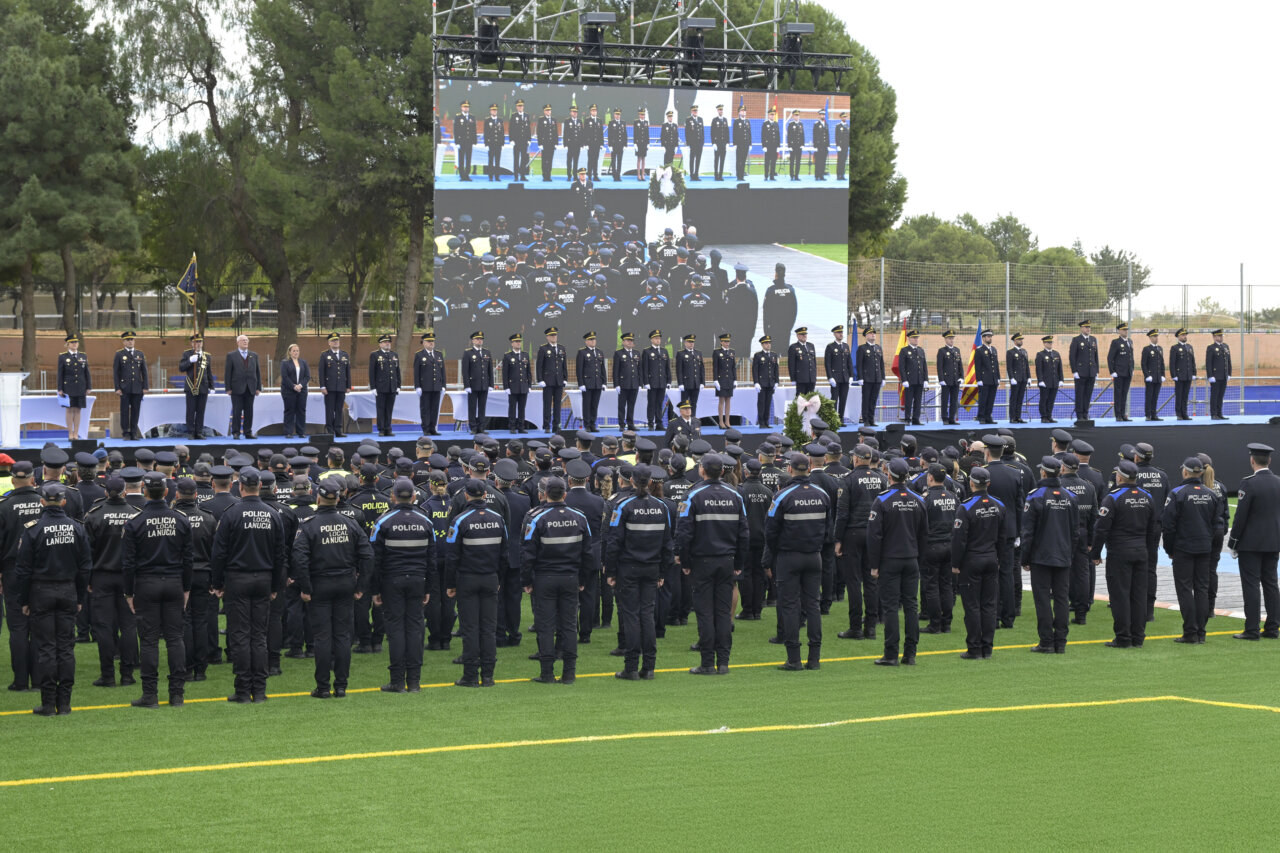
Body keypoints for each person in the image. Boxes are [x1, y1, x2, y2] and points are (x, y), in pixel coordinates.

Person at [13, 482, 92, 716]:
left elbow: (23, 570)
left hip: (41, 592)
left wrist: (24, 600)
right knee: (66, 648)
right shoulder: (77, 528)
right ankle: (65, 703)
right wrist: (79, 596)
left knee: (46, 648)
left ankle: (48, 704)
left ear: (42, 502)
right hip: (68, 591)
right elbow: (85, 567)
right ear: (64, 502)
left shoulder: (33, 529)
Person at [210, 467, 286, 703]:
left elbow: (219, 553)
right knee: (259, 636)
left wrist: (218, 583)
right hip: (263, 580)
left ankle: (243, 690)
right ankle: (260, 690)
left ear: (240, 487)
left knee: (241, 635)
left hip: (238, 580)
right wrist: (275, 586)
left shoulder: (231, 514)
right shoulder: (273, 514)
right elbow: (279, 556)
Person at [292, 477, 371, 698]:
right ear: (338, 498)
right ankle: (341, 685)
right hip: (345, 584)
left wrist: (305, 587)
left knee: (323, 637)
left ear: (318, 498)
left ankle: (323, 687)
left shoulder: (309, 525)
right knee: (343, 636)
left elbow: (299, 558)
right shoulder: (351, 523)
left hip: (320, 585)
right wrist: (361, 585)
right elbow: (367, 555)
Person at [121, 472, 192, 708]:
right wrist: (186, 589)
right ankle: (177, 694)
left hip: (146, 584)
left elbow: (128, 563)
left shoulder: (135, 522)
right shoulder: (180, 520)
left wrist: (129, 592)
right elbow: (188, 560)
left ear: (144, 491)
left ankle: (150, 695)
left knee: (149, 641)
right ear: (166, 492)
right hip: (173, 583)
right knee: (175, 638)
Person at [675, 454, 748, 674]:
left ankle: (707, 663)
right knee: (723, 612)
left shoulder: (693, 495)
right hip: (726, 561)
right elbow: (744, 533)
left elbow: (683, 534)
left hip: (702, 561)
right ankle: (723, 662)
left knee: (705, 613)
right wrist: (739, 562)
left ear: (702, 471)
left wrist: (685, 562)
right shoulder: (735, 495)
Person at [605, 465, 673, 679]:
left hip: (629, 568)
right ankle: (649, 667)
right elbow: (667, 544)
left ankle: (631, 667)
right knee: (647, 615)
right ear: (650, 481)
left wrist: (611, 571)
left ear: (632, 481)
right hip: (651, 568)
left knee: (631, 616)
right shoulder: (660, 507)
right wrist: (662, 572)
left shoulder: (622, 505)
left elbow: (613, 541)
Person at [522, 477, 593, 684]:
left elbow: (527, 554)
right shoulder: (579, 517)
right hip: (570, 577)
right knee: (569, 625)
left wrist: (526, 580)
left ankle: (547, 673)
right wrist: (583, 578)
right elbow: (588, 553)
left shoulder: (537, 518)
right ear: (565, 493)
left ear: (544, 494)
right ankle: (569, 673)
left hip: (545, 578)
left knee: (545, 626)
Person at [766, 452, 832, 671]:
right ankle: (814, 658)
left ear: (790, 470)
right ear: (810, 467)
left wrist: (775, 554)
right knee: (813, 605)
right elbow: (828, 530)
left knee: (790, 606)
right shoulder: (822, 494)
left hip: (789, 556)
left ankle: (794, 658)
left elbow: (771, 531)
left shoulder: (782, 496)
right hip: (814, 556)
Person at [370, 479, 435, 693]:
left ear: (393, 496)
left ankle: (397, 681)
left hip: (392, 581)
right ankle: (414, 682)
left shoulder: (383, 521)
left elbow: (375, 560)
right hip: (417, 580)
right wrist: (428, 588)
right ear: (414, 497)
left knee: (396, 630)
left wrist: (375, 590)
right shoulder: (426, 521)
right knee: (415, 629)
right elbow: (431, 559)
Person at [444, 480, 508, 687]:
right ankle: (488, 675)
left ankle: (470, 675)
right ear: (484, 495)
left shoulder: (459, 520)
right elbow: (504, 554)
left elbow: (451, 557)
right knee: (488, 628)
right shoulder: (498, 519)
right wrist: (499, 578)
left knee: (470, 628)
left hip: (468, 579)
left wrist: (450, 583)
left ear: (466, 496)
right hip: (490, 578)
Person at [1090, 459, 1158, 649]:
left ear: (1119, 477)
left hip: (1120, 553)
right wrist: (1149, 552)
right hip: (1141, 552)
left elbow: (1101, 529)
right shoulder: (1147, 497)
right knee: (1138, 595)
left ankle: (1123, 637)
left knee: (1120, 596)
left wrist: (1095, 553)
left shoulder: (1113, 497)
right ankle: (1138, 636)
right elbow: (1154, 529)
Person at [866, 458, 927, 666]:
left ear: (889, 475)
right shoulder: (918, 500)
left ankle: (891, 654)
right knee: (911, 605)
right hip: (911, 558)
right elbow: (923, 533)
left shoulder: (882, 501)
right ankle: (910, 653)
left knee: (891, 606)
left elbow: (874, 536)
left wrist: (874, 565)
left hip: (890, 560)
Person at [82, 475, 141, 687]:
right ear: (125, 492)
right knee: (128, 626)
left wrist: (88, 580)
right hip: (128, 578)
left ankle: (108, 675)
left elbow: (87, 554)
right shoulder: (136, 515)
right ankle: (127, 674)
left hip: (102, 577)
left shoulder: (94, 516)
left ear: (106, 492)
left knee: (104, 627)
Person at [1021, 456, 1079, 654]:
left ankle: (1046, 641)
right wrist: (1069, 553)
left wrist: (1025, 558)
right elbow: (1075, 531)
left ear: (1043, 472)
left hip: (1041, 557)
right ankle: (1061, 641)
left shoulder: (1035, 496)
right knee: (1062, 598)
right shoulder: (1070, 497)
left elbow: (1028, 532)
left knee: (1043, 599)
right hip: (1063, 555)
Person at [1164, 456, 1224, 644]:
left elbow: (1168, 525)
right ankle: (1201, 632)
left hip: (1183, 548)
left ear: (1185, 471)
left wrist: (1169, 548)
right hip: (1204, 548)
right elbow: (1217, 524)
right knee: (1201, 589)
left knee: (1184, 589)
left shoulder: (1177, 493)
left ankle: (1190, 631)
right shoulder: (1211, 493)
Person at [951, 467, 1005, 659]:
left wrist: (955, 563)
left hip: (972, 561)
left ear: (971, 483)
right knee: (989, 605)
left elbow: (959, 539)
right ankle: (987, 647)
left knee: (972, 606)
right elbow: (1003, 537)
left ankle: (974, 648)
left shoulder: (965, 507)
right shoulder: (999, 505)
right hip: (991, 558)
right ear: (988, 484)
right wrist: (999, 559)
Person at [1228, 443, 1280, 640]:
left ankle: (1251, 629)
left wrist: (1233, 542)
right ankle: (1273, 628)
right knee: (1271, 584)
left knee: (1251, 585)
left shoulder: (1248, 483)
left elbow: (1240, 517)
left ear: (1252, 460)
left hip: (1251, 544)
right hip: (1273, 541)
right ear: (1269, 460)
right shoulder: (1278, 482)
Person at [171, 479, 215, 681]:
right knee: (201, 621)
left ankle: (187, 667)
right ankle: (201, 669)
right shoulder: (208, 518)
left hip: (179, 575)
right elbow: (216, 552)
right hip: (203, 574)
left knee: (185, 621)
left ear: (177, 495)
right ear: (196, 495)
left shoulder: (173, 518)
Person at [920, 464, 959, 634]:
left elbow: (920, 525)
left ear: (930, 478)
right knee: (946, 585)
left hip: (932, 546)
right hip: (950, 545)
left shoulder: (926, 499)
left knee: (931, 586)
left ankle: (935, 624)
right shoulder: (953, 497)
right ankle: (947, 623)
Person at [177, 332, 215, 438]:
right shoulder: (187, 354)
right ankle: (191, 432)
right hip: (191, 386)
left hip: (203, 387)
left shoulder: (207, 356)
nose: (198, 344)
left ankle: (198, 431)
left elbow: (209, 372)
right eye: (196, 342)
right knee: (190, 411)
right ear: (192, 343)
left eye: (200, 342)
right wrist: (189, 361)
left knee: (200, 411)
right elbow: (181, 368)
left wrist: (212, 386)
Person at [224, 334, 262, 439]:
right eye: (243, 340)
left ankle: (248, 432)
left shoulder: (254, 355)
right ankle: (236, 432)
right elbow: (228, 373)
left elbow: (257, 372)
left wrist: (258, 387)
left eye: (246, 340)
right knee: (237, 411)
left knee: (249, 411)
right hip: (236, 388)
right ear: (238, 342)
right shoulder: (231, 355)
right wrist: (228, 388)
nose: (245, 342)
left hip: (251, 388)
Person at [113, 330, 148, 440]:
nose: (130, 342)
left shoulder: (140, 354)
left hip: (137, 387)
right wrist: (117, 387)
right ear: (124, 342)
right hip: (125, 388)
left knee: (135, 410)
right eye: (128, 340)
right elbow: (116, 372)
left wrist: (145, 386)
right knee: (124, 411)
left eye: (132, 339)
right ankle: (125, 432)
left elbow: (144, 371)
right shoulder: (119, 354)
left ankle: (133, 432)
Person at [318, 332, 352, 438]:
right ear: (329, 343)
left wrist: (348, 385)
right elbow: (321, 372)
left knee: (339, 409)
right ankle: (330, 430)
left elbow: (347, 372)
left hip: (341, 387)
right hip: (329, 387)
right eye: (333, 341)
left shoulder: (344, 355)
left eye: (337, 340)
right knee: (329, 409)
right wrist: (322, 386)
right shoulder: (324, 355)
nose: (335, 342)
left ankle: (338, 430)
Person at [57, 333, 90, 438]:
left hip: (80, 386)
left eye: (76, 342)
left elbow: (87, 372)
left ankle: (76, 433)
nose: (75, 344)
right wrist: (60, 388)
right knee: (69, 409)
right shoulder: (63, 357)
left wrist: (89, 386)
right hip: (68, 387)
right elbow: (60, 373)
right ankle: (70, 432)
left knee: (78, 409)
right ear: (68, 344)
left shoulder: (83, 356)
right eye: (72, 342)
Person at [461, 331, 494, 434]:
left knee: (482, 407)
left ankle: (481, 427)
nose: (480, 341)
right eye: (477, 339)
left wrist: (491, 384)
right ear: (473, 341)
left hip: (484, 384)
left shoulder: (486, 352)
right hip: (473, 385)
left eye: (481, 339)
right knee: (472, 407)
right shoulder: (468, 353)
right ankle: (473, 427)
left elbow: (490, 370)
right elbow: (465, 371)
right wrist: (467, 385)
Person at [413, 332, 446, 435]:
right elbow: (416, 372)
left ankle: (433, 428)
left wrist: (443, 385)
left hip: (436, 386)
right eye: (428, 341)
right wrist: (417, 386)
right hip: (425, 387)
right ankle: (426, 429)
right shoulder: (419, 355)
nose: (431, 343)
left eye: (432, 341)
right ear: (423, 343)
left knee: (434, 409)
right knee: (425, 409)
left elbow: (442, 371)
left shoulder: (438, 354)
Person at [368, 334, 400, 437]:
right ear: (380, 344)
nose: (387, 344)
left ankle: (388, 428)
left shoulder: (394, 355)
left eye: (389, 342)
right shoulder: (375, 355)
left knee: (389, 409)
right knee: (381, 409)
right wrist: (373, 387)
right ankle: (381, 429)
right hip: (380, 387)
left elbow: (397, 371)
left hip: (392, 387)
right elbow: (371, 372)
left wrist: (399, 385)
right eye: (385, 342)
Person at [537, 327, 569, 431]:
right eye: (551, 335)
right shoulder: (543, 349)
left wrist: (565, 378)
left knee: (557, 404)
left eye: (555, 335)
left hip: (558, 381)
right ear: (547, 337)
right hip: (547, 381)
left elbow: (564, 365)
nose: (554, 337)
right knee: (547, 404)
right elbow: (539, 366)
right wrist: (540, 379)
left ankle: (556, 426)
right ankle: (546, 426)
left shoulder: (561, 348)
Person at [500, 332, 532, 433]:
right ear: (512, 343)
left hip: (523, 386)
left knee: (522, 408)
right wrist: (506, 387)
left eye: (519, 341)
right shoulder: (508, 356)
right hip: (512, 386)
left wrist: (529, 385)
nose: (518, 343)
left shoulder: (525, 355)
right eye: (516, 342)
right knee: (512, 407)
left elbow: (528, 372)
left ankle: (521, 427)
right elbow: (505, 373)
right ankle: (512, 426)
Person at [576, 331, 607, 432]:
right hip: (587, 383)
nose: (593, 341)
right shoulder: (582, 352)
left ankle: (593, 424)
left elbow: (602, 369)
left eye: (594, 339)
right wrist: (581, 383)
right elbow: (579, 369)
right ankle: (587, 425)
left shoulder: (599, 352)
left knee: (594, 405)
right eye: (590, 340)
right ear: (586, 341)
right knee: (587, 405)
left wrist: (604, 382)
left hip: (597, 383)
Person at [762, 264, 797, 351]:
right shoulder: (790, 290)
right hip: (786, 328)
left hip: (773, 329)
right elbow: (794, 310)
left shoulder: (770, 290)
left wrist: (766, 330)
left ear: (776, 274)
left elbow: (766, 312)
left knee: (774, 354)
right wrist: (789, 326)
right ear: (784, 274)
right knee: (785, 354)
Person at [1068, 320, 1098, 421]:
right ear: (1081, 328)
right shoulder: (1076, 340)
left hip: (1091, 372)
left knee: (1088, 394)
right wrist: (1074, 371)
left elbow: (1095, 356)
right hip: (1081, 372)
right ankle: (1080, 415)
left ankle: (1085, 413)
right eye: (1086, 327)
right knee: (1080, 394)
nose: (1088, 329)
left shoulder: (1093, 339)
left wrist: (1096, 370)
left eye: (1089, 327)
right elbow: (1072, 356)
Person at [641, 329, 670, 431]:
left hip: (662, 382)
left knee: (659, 403)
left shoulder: (664, 351)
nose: (658, 340)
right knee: (651, 403)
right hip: (652, 382)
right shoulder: (647, 351)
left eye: (659, 338)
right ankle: (650, 423)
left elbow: (667, 368)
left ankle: (659, 423)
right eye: (656, 338)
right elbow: (644, 368)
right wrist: (646, 382)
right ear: (651, 339)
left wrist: (669, 381)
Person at [280, 343, 309, 439]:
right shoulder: (285, 362)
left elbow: (307, 376)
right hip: (288, 391)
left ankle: (301, 432)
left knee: (301, 411)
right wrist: (293, 386)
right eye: (294, 351)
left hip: (302, 391)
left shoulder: (303, 362)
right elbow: (285, 377)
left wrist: (300, 385)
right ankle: (288, 432)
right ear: (289, 352)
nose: (296, 352)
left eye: (297, 350)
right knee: (289, 411)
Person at [856, 327, 885, 426]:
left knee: (873, 400)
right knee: (866, 400)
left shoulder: (878, 348)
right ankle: (865, 420)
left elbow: (881, 364)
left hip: (877, 378)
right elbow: (859, 364)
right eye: (871, 333)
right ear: (866, 336)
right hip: (867, 379)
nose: (873, 335)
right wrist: (860, 377)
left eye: (874, 333)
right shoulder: (862, 348)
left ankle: (871, 419)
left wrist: (883, 377)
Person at [897, 329, 927, 424]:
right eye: (914, 338)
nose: (916, 339)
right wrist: (904, 380)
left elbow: (924, 366)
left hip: (919, 380)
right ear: (909, 339)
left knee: (918, 401)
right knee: (908, 401)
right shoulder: (904, 350)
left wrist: (926, 379)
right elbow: (902, 367)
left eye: (917, 338)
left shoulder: (921, 350)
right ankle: (907, 419)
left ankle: (916, 419)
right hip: (909, 381)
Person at [613, 332, 641, 431]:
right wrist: (616, 384)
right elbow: (615, 370)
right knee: (622, 405)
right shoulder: (619, 353)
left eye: (631, 340)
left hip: (634, 384)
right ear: (623, 342)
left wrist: (640, 383)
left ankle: (630, 424)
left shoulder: (636, 353)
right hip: (623, 384)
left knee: (631, 405)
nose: (630, 342)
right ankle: (621, 424)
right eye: (628, 340)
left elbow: (639, 369)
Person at [1107, 322, 1134, 421]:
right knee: (1118, 394)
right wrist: (1112, 371)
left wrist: (1132, 368)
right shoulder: (1116, 342)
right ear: (1119, 331)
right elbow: (1110, 357)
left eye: (1126, 330)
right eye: (1123, 330)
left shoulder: (1130, 341)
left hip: (1128, 372)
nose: (1126, 331)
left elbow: (1131, 357)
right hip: (1119, 372)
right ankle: (1118, 415)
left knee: (1124, 394)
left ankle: (1123, 414)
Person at [972, 328, 999, 424]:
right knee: (983, 399)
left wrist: (998, 377)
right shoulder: (979, 350)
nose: (990, 338)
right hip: (984, 379)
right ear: (983, 338)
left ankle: (988, 416)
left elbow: (996, 365)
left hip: (993, 379)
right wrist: (979, 379)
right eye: (988, 336)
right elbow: (978, 366)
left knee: (991, 399)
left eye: (991, 336)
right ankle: (981, 417)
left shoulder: (994, 349)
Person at [935, 330, 962, 425]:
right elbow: (940, 367)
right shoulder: (942, 351)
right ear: (945, 339)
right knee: (945, 400)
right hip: (946, 380)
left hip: (955, 380)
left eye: (952, 338)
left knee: (954, 401)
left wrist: (961, 376)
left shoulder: (957, 350)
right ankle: (945, 418)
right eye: (949, 338)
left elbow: (960, 365)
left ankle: (952, 418)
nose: (951, 340)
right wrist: (941, 379)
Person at [752, 335, 779, 428]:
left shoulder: (773, 355)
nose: (768, 345)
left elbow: (776, 369)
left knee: (768, 403)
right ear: (762, 344)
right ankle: (761, 422)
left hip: (770, 383)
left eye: (769, 343)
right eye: (766, 343)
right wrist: (756, 382)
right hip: (762, 383)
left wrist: (776, 381)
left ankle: (766, 422)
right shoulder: (758, 355)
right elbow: (755, 370)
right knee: (761, 403)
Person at [675, 333, 704, 418]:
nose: (691, 344)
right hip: (686, 383)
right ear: (685, 343)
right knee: (684, 404)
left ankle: (693, 420)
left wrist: (702, 382)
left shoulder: (698, 353)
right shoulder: (681, 354)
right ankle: (684, 420)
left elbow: (701, 369)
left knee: (694, 403)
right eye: (689, 342)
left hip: (696, 383)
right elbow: (679, 370)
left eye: (692, 342)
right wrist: (680, 383)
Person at [1169, 327, 1196, 420]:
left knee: (1185, 396)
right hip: (1179, 376)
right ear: (1178, 337)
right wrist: (1174, 375)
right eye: (1183, 335)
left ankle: (1185, 413)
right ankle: (1179, 414)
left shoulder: (1189, 347)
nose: (1185, 336)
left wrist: (1194, 373)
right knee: (1179, 395)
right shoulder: (1175, 348)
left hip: (1188, 375)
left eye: (1185, 335)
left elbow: (1192, 361)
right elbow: (1172, 363)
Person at [1035, 335, 1063, 423]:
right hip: (1045, 382)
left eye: (1051, 342)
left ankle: (1049, 415)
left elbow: (1059, 368)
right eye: (1048, 342)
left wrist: (1061, 379)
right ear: (1044, 343)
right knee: (1044, 399)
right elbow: (1039, 369)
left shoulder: (1056, 354)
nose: (1050, 344)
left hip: (1054, 381)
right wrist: (1040, 380)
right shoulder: (1040, 355)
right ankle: (1044, 416)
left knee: (1051, 400)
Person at [1206, 329, 1232, 419]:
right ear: (1214, 337)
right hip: (1215, 376)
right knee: (1214, 396)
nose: (1221, 337)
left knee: (1221, 396)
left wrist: (1229, 373)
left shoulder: (1225, 346)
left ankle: (1220, 413)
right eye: (1218, 336)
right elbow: (1208, 363)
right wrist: (1210, 375)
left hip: (1224, 376)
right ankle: (1214, 414)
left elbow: (1228, 362)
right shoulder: (1211, 348)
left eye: (1221, 336)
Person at [712, 333, 736, 430]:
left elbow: (733, 367)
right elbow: (715, 367)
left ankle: (727, 421)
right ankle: (721, 421)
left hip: (729, 379)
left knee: (728, 400)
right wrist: (715, 380)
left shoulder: (732, 352)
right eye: (725, 341)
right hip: (721, 380)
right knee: (721, 400)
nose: (727, 343)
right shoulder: (717, 352)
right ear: (721, 342)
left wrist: (735, 379)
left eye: (728, 341)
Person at [1140, 329, 1165, 421]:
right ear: (1150, 338)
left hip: (1158, 377)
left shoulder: (1160, 348)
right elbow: (1143, 364)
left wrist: (1163, 374)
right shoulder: (1146, 349)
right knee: (1149, 396)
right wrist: (1147, 375)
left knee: (1155, 397)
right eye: (1154, 336)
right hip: (1150, 377)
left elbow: (1162, 363)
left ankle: (1154, 414)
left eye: (1157, 336)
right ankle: (1148, 415)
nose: (1156, 338)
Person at [1005, 332, 1030, 423]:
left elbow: (1026, 366)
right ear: (1014, 341)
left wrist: (1029, 377)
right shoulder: (1010, 352)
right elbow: (1009, 367)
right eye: (1019, 339)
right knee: (1014, 398)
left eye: (1021, 339)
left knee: (1020, 399)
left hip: (1023, 378)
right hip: (1016, 379)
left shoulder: (1024, 351)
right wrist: (1011, 378)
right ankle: (1012, 417)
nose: (1021, 341)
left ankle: (1018, 416)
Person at [788, 327, 818, 396]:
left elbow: (814, 362)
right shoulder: (793, 347)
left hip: (811, 378)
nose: (804, 336)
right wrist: (793, 378)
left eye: (805, 334)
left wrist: (814, 375)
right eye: (802, 334)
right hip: (801, 378)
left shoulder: (811, 345)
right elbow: (791, 364)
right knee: (801, 400)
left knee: (811, 399)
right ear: (797, 336)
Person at [509, 99, 531, 180]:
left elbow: (528, 128)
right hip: (516, 141)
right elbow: (511, 128)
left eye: (521, 106)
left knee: (524, 159)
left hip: (524, 141)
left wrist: (529, 139)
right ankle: (516, 175)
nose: (520, 107)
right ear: (516, 107)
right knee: (516, 159)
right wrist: (511, 140)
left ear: (523, 107)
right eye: (519, 106)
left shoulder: (526, 116)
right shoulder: (514, 116)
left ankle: (522, 175)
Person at [536, 104, 558, 182]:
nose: (549, 111)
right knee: (544, 160)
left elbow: (555, 132)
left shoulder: (553, 120)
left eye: (549, 110)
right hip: (544, 144)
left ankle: (549, 175)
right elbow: (539, 132)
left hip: (551, 144)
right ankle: (544, 175)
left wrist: (556, 143)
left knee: (550, 160)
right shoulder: (541, 120)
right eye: (547, 110)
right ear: (544, 111)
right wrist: (540, 144)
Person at [483, 103, 503, 181]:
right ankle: (490, 176)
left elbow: (502, 132)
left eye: (495, 110)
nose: (494, 112)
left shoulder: (500, 120)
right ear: (490, 111)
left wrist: (502, 143)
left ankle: (497, 176)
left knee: (497, 161)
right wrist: (486, 143)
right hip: (491, 144)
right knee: (491, 160)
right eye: (493, 110)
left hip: (498, 144)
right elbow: (486, 132)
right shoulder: (487, 120)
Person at [607, 107, 627, 182]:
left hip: (621, 145)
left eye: (619, 114)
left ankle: (618, 175)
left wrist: (625, 144)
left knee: (619, 161)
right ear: (614, 114)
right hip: (614, 145)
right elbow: (609, 135)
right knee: (613, 161)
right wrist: (610, 145)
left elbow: (625, 134)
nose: (618, 116)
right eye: (616, 114)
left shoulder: (623, 123)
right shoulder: (611, 123)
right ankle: (614, 175)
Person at [563, 105, 583, 180]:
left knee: (576, 161)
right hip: (570, 144)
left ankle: (575, 175)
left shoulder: (579, 121)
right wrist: (565, 144)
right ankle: (569, 175)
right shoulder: (567, 121)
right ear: (570, 112)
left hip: (577, 144)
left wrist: (582, 143)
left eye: (576, 112)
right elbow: (565, 133)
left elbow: (581, 133)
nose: (575, 113)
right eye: (573, 112)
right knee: (569, 160)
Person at [709, 104, 729, 180]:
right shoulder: (715, 120)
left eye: (722, 110)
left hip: (724, 144)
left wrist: (728, 143)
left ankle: (721, 175)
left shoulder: (725, 120)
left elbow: (727, 132)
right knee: (716, 160)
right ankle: (716, 175)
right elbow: (712, 132)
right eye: (720, 110)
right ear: (717, 111)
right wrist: (713, 143)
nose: (721, 111)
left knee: (722, 160)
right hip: (717, 144)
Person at [732, 104, 751, 180]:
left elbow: (749, 133)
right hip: (739, 144)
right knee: (739, 160)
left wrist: (750, 144)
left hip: (746, 144)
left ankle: (742, 176)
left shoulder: (747, 121)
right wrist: (735, 143)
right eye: (742, 111)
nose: (744, 112)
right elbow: (734, 133)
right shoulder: (736, 121)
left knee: (743, 160)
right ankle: (738, 175)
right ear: (739, 112)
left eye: (744, 111)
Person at [785, 108, 805, 180]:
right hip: (793, 146)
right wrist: (789, 145)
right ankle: (791, 175)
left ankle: (796, 176)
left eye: (798, 115)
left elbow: (802, 135)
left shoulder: (801, 124)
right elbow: (789, 136)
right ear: (793, 116)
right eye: (795, 115)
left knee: (798, 162)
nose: (797, 117)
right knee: (792, 161)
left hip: (799, 146)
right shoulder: (791, 124)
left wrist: (803, 144)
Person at [633, 107, 649, 181]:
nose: (642, 116)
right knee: (639, 159)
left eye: (643, 115)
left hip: (644, 144)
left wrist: (648, 143)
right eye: (641, 115)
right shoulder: (636, 122)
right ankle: (638, 174)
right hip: (638, 144)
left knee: (643, 159)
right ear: (639, 115)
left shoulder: (646, 122)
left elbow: (647, 134)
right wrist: (635, 143)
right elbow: (635, 133)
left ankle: (643, 174)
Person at [811, 110, 829, 180]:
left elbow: (827, 135)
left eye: (823, 115)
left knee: (823, 161)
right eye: (821, 115)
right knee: (818, 161)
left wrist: (828, 145)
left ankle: (821, 175)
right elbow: (814, 135)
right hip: (818, 146)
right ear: (819, 115)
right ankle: (817, 175)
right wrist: (815, 146)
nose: (822, 116)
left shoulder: (826, 124)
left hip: (824, 146)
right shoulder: (816, 124)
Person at [835, 111, 850, 180]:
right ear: (841, 117)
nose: (845, 118)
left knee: (844, 161)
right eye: (843, 117)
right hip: (840, 146)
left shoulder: (847, 126)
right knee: (840, 161)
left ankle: (842, 175)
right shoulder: (838, 126)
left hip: (845, 146)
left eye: (845, 116)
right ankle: (838, 175)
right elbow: (836, 136)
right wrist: (837, 145)